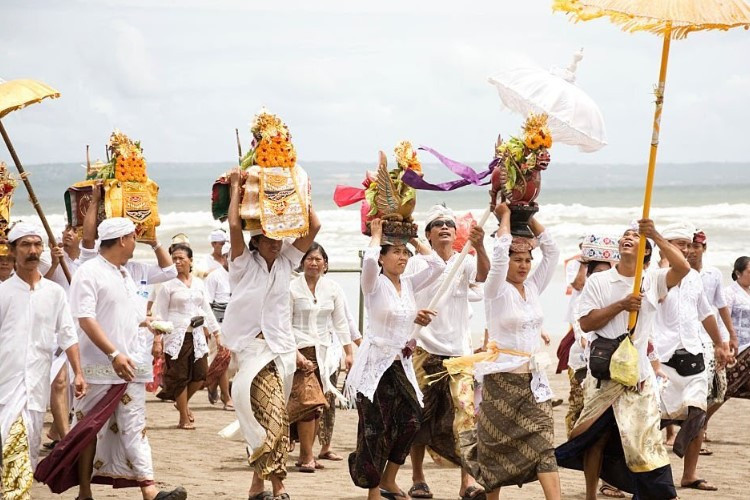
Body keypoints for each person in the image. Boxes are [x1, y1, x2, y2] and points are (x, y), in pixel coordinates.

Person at [555, 220, 688, 500]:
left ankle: (657, 493)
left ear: (647, 255)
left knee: (642, 441)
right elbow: (588, 322)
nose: (628, 237)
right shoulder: (599, 281)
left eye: (636, 236)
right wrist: (621, 305)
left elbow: (682, 268)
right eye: (625, 235)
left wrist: (655, 235)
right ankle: (591, 494)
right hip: (605, 374)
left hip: (637, 377)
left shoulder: (651, 280)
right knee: (593, 437)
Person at [66, 217, 186, 500]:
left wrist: (146, 324)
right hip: (98, 366)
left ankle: (150, 490)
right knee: (87, 430)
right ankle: (84, 492)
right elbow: (85, 319)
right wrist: (113, 353)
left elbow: (124, 315)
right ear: (122, 240)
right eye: (133, 237)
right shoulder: (89, 271)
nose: (135, 242)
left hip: (132, 364)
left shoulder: (126, 273)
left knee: (135, 427)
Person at [221, 168, 320, 500]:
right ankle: (279, 486)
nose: (277, 244)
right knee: (274, 416)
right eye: (271, 239)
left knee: (268, 416)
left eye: (280, 238)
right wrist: (236, 186)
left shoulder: (285, 263)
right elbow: (235, 225)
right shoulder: (241, 263)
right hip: (250, 350)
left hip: (279, 350)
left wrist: (299, 191)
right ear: (257, 240)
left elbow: (314, 226)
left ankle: (256, 484)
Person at [459, 203, 561, 500]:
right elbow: (500, 254)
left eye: (528, 259)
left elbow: (552, 250)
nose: (524, 265)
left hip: (534, 383)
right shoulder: (496, 289)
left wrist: (528, 217)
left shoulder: (532, 287)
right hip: (500, 381)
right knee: (495, 447)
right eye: (518, 260)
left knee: (544, 443)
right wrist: (504, 216)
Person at [345, 218, 445, 500]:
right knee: (376, 427)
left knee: (412, 419)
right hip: (375, 364)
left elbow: (439, 266)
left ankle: (389, 478)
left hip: (400, 364)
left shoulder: (410, 284)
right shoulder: (373, 283)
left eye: (405, 254)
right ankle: (373, 491)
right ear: (383, 257)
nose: (402, 258)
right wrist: (376, 235)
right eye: (396, 252)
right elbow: (367, 263)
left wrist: (414, 239)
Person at [405, 204, 489, 500]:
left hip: (460, 353)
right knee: (419, 415)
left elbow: (482, 275)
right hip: (425, 349)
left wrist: (479, 246)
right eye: (437, 224)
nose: (444, 227)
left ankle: (467, 481)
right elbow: (402, 298)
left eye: (449, 224)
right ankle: (417, 477)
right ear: (427, 234)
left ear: (456, 233)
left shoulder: (464, 260)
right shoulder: (416, 263)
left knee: (466, 412)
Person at [0, 223, 86, 499]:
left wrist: (78, 372)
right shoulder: (3, 293)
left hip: (37, 386)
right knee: (12, 443)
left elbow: (68, 334)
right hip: (5, 386)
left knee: (25, 446)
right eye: (25, 245)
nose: (33, 250)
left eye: (37, 245)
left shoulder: (54, 293)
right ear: (12, 251)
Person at [652, 222, 730, 492]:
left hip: (694, 354)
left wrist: (720, 343)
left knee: (698, 411)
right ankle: (640, 474)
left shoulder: (695, 278)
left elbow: (706, 313)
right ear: (665, 245)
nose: (685, 249)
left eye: (687, 244)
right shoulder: (656, 276)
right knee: (655, 419)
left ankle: (689, 474)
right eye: (678, 243)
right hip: (662, 358)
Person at [288, 242, 354, 472]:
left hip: (325, 354)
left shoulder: (333, 288)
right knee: (307, 403)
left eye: (318, 259)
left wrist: (349, 352)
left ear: (325, 264)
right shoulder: (291, 288)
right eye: (309, 259)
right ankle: (306, 456)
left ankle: (307, 454)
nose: (314, 263)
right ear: (302, 262)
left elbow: (341, 322)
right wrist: (294, 353)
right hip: (298, 351)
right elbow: (283, 324)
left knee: (319, 405)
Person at [154, 244, 221, 428]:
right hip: (175, 336)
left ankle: (181, 403)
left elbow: (205, 308)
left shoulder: (199, 283)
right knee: (180, 376)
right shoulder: (167, 285)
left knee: (201, 374)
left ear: (190, 261)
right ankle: (183, 417)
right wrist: (158, 340)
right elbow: (160, 314)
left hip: (197, 335)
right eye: (174, 258)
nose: (177, 262)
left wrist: (216, 332)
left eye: (181, 258)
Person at [687, 230, 738, 451]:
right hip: (687, 338)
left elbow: (720, 306)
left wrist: (729, 335)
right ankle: (691, 434)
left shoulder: (713, 274)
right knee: (696, 389)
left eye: (696, 247)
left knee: (719, 390)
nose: (692, 251)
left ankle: (699, 426)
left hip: (711, 337)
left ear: (703, 248)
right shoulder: (677, 273)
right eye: (688, 246)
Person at [204, 241, 234, 409]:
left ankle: (213, 384)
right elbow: (207, 304)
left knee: (235, 362)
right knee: (224, 359)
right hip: (219, 325)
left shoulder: (244, 275)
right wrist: (208, 327)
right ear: (224, 258)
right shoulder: (214, 277)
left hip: (238, 325)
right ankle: (226, 396)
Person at [723, 256, 750, 399]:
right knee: (726, 390)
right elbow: (723, 318)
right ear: (738, 273)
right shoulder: (729, 292)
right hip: (738, 347)